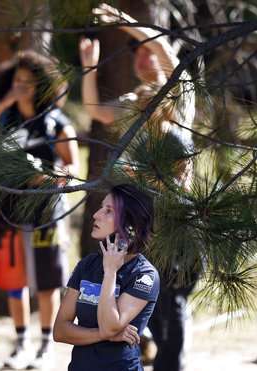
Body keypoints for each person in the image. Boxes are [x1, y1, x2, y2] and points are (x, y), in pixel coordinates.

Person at [79, 3, 197, 371]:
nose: (145, 58)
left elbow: (164, 52)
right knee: (153, 304)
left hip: (178, 223)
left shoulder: (181, 95)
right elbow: (97, 110)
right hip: (145, 224)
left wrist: (126, 25)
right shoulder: (136, 103)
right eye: (138, 53)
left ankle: (170, 365)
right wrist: (88, 68)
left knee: (172, 304)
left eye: (149, 52)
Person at [0, 50, 79, 369]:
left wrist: (51, 175)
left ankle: (45, 346)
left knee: (47, 279)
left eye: (29, 81)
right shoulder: (4, 119)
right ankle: (21, 342)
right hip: (11, 210)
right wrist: (3, 104)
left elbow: (74, 166)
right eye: (17, 80)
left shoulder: (54, 120)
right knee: (15, 278)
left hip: (46, 211)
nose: (22, 86)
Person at [53, 183, 159, 371]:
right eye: (102, 207)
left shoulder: (144, 275)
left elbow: (110, 326)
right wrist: (105, 335)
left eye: (108, 211)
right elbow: (60, 331)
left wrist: (110, 273)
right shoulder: (87, 265)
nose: (96, 214)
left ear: (130, 224)